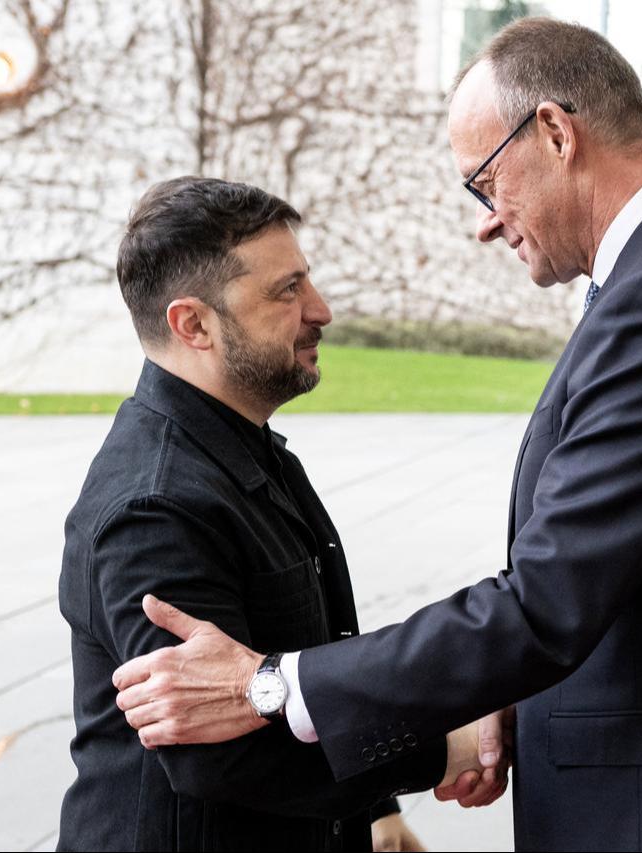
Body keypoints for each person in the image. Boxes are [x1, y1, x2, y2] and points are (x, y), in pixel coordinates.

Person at [112, 19, 642, 851]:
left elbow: (546, 602)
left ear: (557, 133)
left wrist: (275, 685)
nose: (489, 222)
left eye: (486, 182)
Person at [56, 177, 487, 851]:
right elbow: (217, 752)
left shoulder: (245, 449)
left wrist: (374, 812)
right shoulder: (156, 505)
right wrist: (448, 748)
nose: (321, 309)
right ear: (192, 323)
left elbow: (302, 667)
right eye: (286, 291)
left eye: (306, 282)